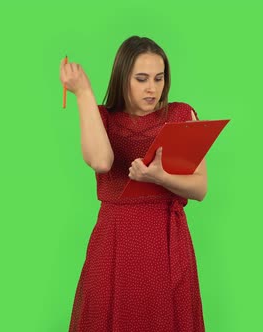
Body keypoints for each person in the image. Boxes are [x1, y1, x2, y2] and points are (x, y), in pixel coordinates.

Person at [60, 35, 207, 332]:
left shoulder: (181, 115)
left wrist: (159, 177)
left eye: (159, 78)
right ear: (122, 78)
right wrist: (84, 93)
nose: (152, 88)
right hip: (114, 242)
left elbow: (200, 188)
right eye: (141, 79)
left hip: (165, 242)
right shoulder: (101, 118)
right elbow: (101, 161)